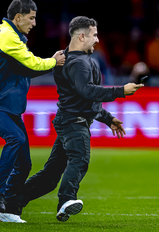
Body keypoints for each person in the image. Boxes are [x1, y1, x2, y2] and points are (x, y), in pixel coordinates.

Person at [16, 16, 143, 222]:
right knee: (80, 160)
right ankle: (66, 199)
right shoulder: (80, 63)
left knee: (50, 176)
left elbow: (81, 99)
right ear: (82, 36)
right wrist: (121, 90)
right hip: (74, 122)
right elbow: (87, 92)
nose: (98, 40)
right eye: (94, 35)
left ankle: (12, 200)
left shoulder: (66, 58)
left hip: (69, 119)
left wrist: (107, 118)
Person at [0, 0, 65, 223]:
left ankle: (5, 210)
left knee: (25, 163)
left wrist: (52, 63)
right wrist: (53, 61)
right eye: (31, 17)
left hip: (7, 108)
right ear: (18, 17)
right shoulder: (8, 36)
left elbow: (27, 69)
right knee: (15, 139)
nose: (34, 23)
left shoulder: (11, 36)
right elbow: (33, 63)